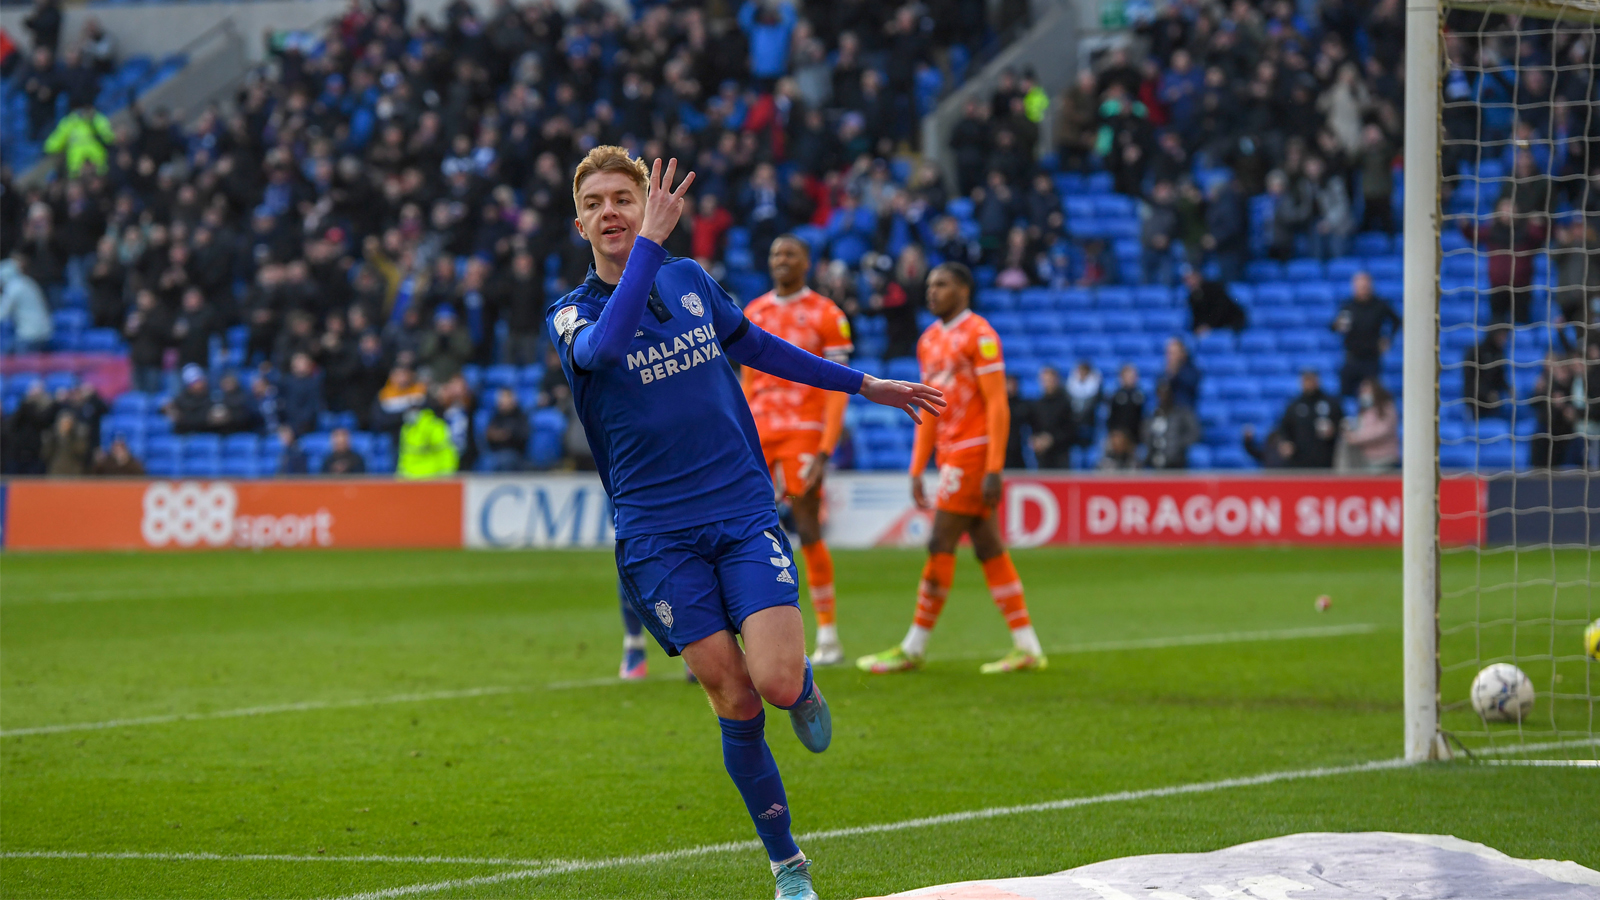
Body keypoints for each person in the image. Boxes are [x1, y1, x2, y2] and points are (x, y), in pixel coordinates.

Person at [547, 149, 940, 900]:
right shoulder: (572, 314)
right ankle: (788, 865)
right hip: (657, 535)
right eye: (595, 203)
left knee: (779, 681)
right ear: (579, 224)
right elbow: (604, 350)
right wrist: (654, 245)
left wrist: (865, 385)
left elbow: (755, 345)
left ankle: (805, 688)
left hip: (739, 507)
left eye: (623, 198)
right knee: (734, 698)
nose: (611, 213)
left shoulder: (689, 280)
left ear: (642, 205)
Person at [857, 261, 1045, 676]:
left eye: (942, 284)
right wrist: (915, 468)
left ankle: (913, 647)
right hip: (950, 453)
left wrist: (995, 466)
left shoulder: (980, 334)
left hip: (974, 453)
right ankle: (1028, 646)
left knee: (940, 541)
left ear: (964, 289)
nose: (932, 291)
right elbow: (928, 407)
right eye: (929, 285)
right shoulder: (928, 341)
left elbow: (998, 404)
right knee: (987, 547)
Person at [742, 235, 854, 665]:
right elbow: (748, 383)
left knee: (807, 525)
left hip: (804, 431)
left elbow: (839, 388)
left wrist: (827, 448)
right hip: (757, 431)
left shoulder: (828, 315)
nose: (780, 260)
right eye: (774, 253)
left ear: (807, 262)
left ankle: (828, 635)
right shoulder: (754, 312)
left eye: (789, 253)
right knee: (740, 527)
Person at [1331, 272, 1401, 398]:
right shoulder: (1348, 306)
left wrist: (1388, 339)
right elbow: (1333, 326)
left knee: (1372, 395)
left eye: (1365, 286)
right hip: (1352, 357)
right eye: (1360, 286)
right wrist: (1337, 325)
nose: (1363, 289)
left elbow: (1397, 321)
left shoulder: (1380, 305)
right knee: (1344, 394)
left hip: (1371, 358)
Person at [1275, 370, 1342, 468]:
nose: (1309, 383)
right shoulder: (1294, 405)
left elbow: (1342, 424)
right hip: (1299, 461)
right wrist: (1286, 442)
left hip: (1327, 460)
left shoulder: (1331, 403)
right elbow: (1284, 428)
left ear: (1317, 381)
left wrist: (1333, 431)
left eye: (1311, 379)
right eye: (1306, 380)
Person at [1338, 378, 1399, 470]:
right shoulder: (1363, 411)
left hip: (1384, 459)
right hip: (1366, 459)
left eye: (1366, 390)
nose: (1364, 394)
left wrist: (1357, 438)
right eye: (1362, 391)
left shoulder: (1386, 407)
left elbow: (1382, 431)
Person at [0, 254, 53, 352]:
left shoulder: (14, 287)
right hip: (45, 332)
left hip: (29, 335)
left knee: (9, 356)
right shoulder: (28, 281)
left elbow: (2, 314)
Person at [1143, 383, 1199, 469]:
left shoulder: (1181, 413)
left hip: (1176, 462)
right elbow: (1145, 433)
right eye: (1160, 393)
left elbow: (1194, 433)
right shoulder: (1152, 415)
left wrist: (1178, 444)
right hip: (1155, 462)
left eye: (1166, 393)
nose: (1163, 397)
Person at [1027, 365, 1073, 469]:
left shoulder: (1065, 403)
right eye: (1045, 380)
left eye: (1051, 380)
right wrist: (1036, 440)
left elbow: (1071, 430)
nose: (1048, 383)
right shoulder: (1037, 405)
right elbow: (1034, 428)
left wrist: (1051, 439)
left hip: (1061, 454)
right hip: (1043, 455)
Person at [1182, 265, 1247, 336]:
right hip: (1213, 326)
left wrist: (1208, 326)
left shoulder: (1214, 288)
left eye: (1191, 278)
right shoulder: (1192, 297)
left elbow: (1221, 309)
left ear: (1198, 276)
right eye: (1187, 280)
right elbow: (1196, 316)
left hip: (1231, 322)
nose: (1190, 282)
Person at [1463, 325, 1510, 420]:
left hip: (1494, 401)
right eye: (1501, 336)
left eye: (1505, 336)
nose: (1503, 339)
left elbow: (1500, 377)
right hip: (1474, 400)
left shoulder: (1500, 353)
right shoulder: (1475, 352)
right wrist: (1486, 393)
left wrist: (1508, 389)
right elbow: (1470, 379)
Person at [484, 388, 532, 471]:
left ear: (512, 399)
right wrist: (497, 435)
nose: (501, 400)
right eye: (500, 398)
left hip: (515, 454)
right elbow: (489, 435)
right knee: (484, 461)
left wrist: (506, 435)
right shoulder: (496, 416)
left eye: (505, 397)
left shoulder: (520, 416)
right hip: (495, 453)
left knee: (502, 461)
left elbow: (522, 436)